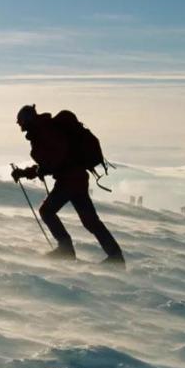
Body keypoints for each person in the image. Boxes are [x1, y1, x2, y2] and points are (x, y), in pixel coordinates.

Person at [11, 104, 125, 268]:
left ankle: (66, 250)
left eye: (21, 122)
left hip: (69, 179)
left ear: (27, 120)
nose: (20, 127)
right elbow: (49, 161)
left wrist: (44, 168)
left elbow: (57, 156)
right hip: (76, 178)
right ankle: (115, 256)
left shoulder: (44, 131)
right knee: (90, 221)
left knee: (47, 211)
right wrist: (26, 172)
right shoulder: (43, 130)